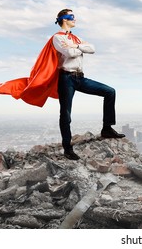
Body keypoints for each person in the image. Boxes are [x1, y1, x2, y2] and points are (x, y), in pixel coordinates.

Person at [53, 9, 125, 160]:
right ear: (64, 19)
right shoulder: (57, 38)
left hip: (80, 78)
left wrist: (77, 46)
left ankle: (107, 128)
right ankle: (67, 148)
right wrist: (79, 48)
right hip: (66, 78)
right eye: (72, 17)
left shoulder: (75, 38)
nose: (75, 19)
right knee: (65, 114)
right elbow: (69, 54)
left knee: (110, 91)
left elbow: (92, 49)